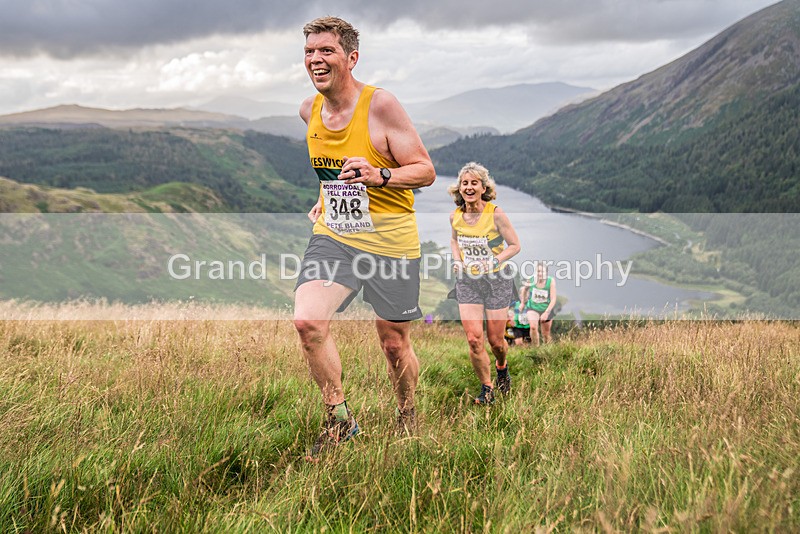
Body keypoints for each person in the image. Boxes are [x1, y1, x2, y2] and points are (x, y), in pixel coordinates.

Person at [293, 16, 436, 459]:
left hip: (390, 242)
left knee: (394, 343)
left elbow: (425, 171)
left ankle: (408, 411)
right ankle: (340, 419)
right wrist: (325, 197)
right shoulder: (309, 111)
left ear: (351, 58)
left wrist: (381, 174)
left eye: (327, 51)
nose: (316, 59)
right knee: (308, 322)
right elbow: (330, 167)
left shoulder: (381, 105)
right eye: (310, 52)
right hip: (334, 236)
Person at [449, 162, 520, 405]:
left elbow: (515, 245)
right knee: (474, 339)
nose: (469, 187)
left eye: (474, 183)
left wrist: (494, 261)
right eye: (464, 183)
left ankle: (502, 367)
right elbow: (454, 241)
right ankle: (487, 388)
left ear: (483, 187)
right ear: (459, 188)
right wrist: (457, 261)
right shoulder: (455, 216)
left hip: (497, 281)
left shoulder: (495, 214)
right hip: (468, 281)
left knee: (496, 341)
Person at [522, 262, 557, 345]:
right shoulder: (531, 280)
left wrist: (546, 312)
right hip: (533, 307)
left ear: (546, 273)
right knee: (533, 327)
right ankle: (536, 349)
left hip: (547, 308)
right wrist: (523, 302)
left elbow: (553, 299)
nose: (540, 273)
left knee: (545, 334)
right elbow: (524, 289)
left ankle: (547, 351)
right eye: (538, 271)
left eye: (542, 272)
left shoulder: (550, 281)